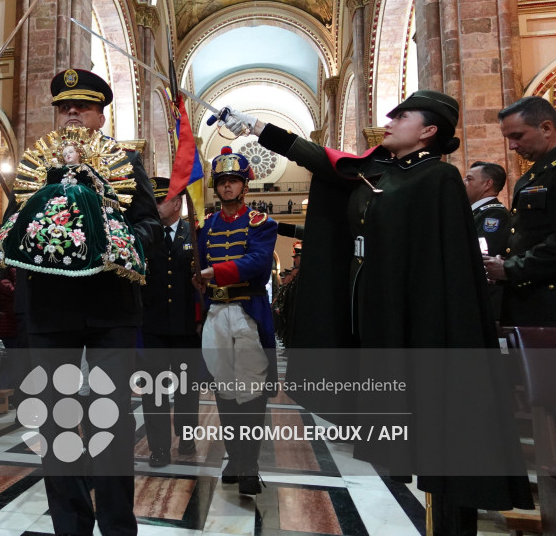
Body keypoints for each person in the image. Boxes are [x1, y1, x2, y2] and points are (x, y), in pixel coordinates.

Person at [219, 91, 532, 533]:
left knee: (436, 422)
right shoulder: (377, 171)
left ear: (429, 130)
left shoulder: (436, 179)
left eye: (402, 115)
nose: (390, 120)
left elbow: (441, 268)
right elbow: (321, 158)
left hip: (415, 313)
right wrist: (255, 127)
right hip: (372, 308)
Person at [0, 68, 160, 535]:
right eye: (64, 107)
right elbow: (13, 231)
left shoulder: (126, 164)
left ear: (100, 115)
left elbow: (150, 226)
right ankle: (69, 524)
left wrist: (115, 239)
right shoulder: (37, 167)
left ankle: (116, 525)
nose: (72, 112)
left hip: (111, 305)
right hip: (50, 309)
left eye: (83, 106)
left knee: (110, 420)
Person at [193, 147, 278, 495]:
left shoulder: (261, 223)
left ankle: (251, 464)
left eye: (234, 181)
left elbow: (258, 262)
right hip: (216, 312)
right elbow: (196, 268)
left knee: (251, 391)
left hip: (247, 313)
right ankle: (234, 457)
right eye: (223, 181)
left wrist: (214, 271)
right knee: (225, 390)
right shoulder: (206, 225)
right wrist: (197, 279)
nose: (228, 187)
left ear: (245, 186)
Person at [139, 177, 201, 468]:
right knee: (154, 392)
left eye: (160, 200)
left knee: (187, 389)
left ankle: (186, 437)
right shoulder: (146, 235)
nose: (155, 205)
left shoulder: (194, 235)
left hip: (187, 328)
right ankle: (159, 448)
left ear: (177, 203)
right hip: (153, 328)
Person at [484, 96, 556, 326]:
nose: (512, 146)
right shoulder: (533, 175)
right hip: (529, 300)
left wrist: (511, 269)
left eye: (517, 136)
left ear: (546, 128)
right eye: (508, 138)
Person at [463, 161, 510, 320]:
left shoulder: (493, 215)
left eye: (469, 179)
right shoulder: (475, 213)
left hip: (486, 296)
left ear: (487, 184)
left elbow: (482, 255)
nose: (464, 183)